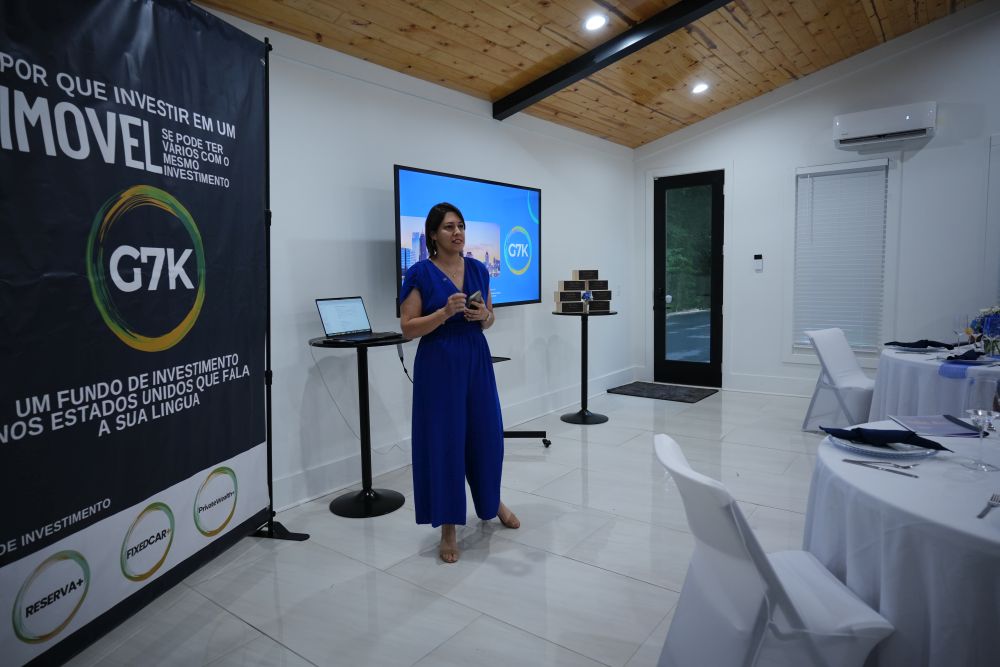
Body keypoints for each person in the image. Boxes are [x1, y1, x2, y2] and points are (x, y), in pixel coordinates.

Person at [399, 202, 519, 563]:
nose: (458, 233)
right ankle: (449, 525)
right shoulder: (419, 273)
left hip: (476, 358)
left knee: (486, 435)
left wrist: (484, 316)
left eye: (461, 226)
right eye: (449, 227)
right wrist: (443, 313)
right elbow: (408, 328)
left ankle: (491, 502)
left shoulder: (479, 269)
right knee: (446, 441)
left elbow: (489, 319)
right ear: (433, 235)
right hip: (438, 363)